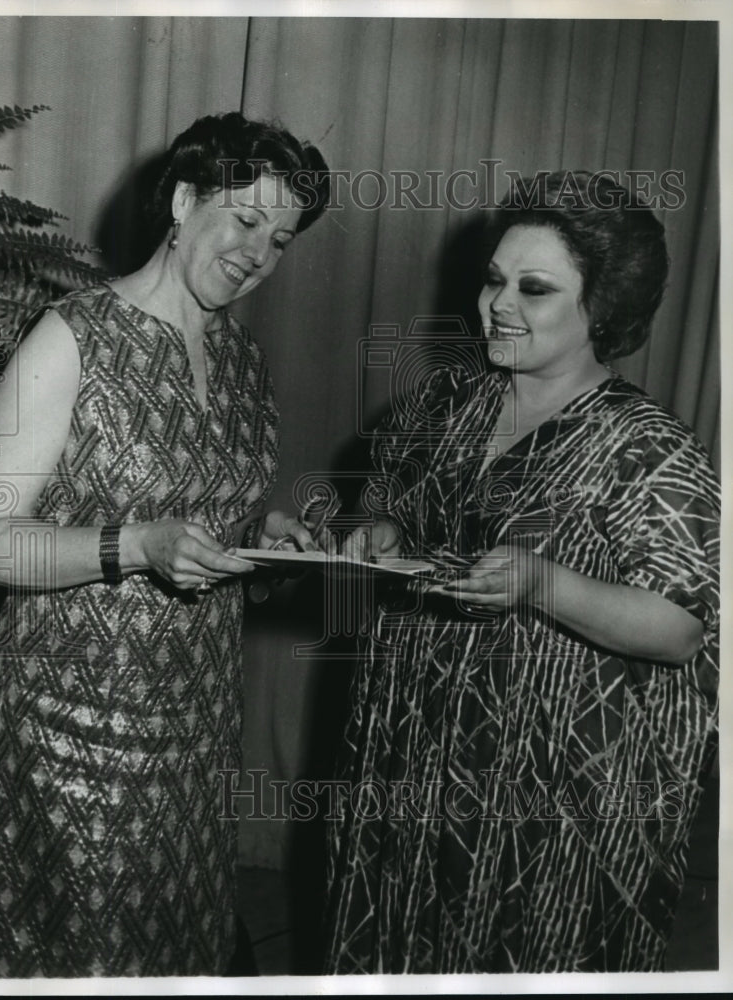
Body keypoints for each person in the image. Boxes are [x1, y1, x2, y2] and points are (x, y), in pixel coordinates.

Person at [0, 111, 329, 977]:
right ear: (186, 199)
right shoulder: (70, 339)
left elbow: (208, 518)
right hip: (75, 739)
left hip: (198, 731)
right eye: (243, 220)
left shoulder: (243, 363)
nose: (257, 255)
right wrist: (137, 545)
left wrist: (262, 540)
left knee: (176, 946)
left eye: (279, 240)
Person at [325, 170, 719, 973]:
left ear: (602, 308)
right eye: (496, 280)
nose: (499, 305)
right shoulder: (440, 406)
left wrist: (546, 584)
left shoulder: (650, 449)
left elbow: (681, 628)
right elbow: (387, 509)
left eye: (534, 289)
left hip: (547, 790)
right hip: (408, 751)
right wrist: (371, 533)